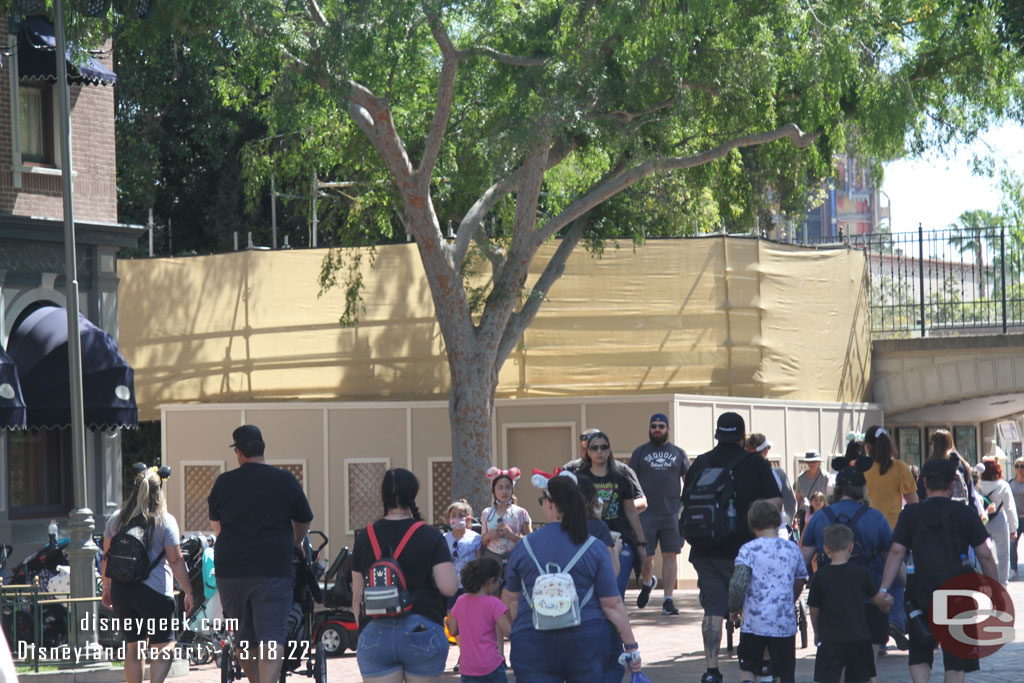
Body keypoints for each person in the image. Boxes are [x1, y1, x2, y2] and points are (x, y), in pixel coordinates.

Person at [502, 475, 642, 682]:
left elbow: (510, 599)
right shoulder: (594, 546)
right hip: (586, 640)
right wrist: (630, 646)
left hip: (533, 642)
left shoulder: (525, 546)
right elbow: (612, 603)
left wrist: (520, 630)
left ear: (550, 504)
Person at [208, 425, 313, 683]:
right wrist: (296, 542)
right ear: (262, 448)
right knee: (271, 636)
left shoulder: (224, 483)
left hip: (231, 572)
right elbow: (303, 519)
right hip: (273, 570)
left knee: (243, 636)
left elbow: (216, 526)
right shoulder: (284, 480)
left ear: (239, 452)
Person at [682, 412, 782, 683]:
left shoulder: (701, 462)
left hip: (706, 550)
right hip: (747, 549)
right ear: (742, 435)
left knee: (713, 609)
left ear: (717, 434)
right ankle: (761, 665)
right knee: (754, 605)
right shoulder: (755, 463)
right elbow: (775, 502)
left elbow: (686, 503)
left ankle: (712, 670)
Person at [879, 458, 999, 683]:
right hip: (957, 592)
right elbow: (985, 554)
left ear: (924, 483)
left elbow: (896, 552)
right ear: (952, 485)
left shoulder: (910, 514)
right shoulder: (965, 513)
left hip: (920, 591)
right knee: (955, 659)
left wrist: (884, 588)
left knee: (919, 652)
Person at [351, 468, 458, 682]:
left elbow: (357, 596)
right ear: (413, 495)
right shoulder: (430, 535)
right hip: (421, 627)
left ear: (383, 496)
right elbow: (449, 587)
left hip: (375, 631)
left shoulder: (365, 536)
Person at [103, 466, 194, 683]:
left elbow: (106, 557)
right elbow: (175, 560)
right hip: (155, 592)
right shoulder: (165, 520)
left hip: (122, 591)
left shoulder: (116, 519)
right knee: (165, 645)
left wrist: (107, 588)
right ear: (158, 492)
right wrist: (188, 591)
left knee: (134, 646)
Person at [800, 465, 893, 666]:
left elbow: (803, 561)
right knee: (867, 668)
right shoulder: (876, 518)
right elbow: (894, 557)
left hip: (831, 603)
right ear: (862, 490)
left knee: (836, 668)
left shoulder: (819, 518)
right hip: (869, 601)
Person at [726, 500, 808, 683]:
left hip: (754, 623)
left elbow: (738, 583)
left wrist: (733, 608)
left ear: (752, 523)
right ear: (778, 521)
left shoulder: (748, 550)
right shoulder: (792, 549)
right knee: (783, 672)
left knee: (748, 668)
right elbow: (800, 579)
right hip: (783, 624)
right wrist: (789, 599)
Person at [807, 524, 893, 683]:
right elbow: (876, 599)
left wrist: (817, 632)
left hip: (830, 637)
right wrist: (886, 600)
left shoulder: (820, 576)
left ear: (826, 549)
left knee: (830, 676)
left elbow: (814, 609)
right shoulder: (861, 573)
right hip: (858, 635)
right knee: (863, 677)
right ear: (851, 547)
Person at [571, 431, 648, 598]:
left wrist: (641, 543)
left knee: (615, 593)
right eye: (595, 448)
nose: (599, 451)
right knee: (593, 594)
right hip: (588, 541)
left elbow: (631, 512)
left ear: (609, 450)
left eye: (603, 447)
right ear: (588, 452)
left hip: (620, 540)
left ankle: (614, 624)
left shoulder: (621, 477)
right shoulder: (580, 478)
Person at [630, 412, 690, 615]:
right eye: (653, 426)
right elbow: (630, 482)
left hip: (671, 513)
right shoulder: (640, 453)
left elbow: (689, 482)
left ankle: (668, 600)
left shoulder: (678, 454)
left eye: (661, 426)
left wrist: (684, 507)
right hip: (645, 514)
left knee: (670, 556)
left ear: (668, 429)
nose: (657, 429)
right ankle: (647, 583)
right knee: (646, 557)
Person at [449, 558, 512, 683]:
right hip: (491, 664)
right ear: (491, 581)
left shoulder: (460, 601)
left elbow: (453, 630)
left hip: (467, 667)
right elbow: (507, 632)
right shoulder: (494, 603)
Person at [862, 426, 918, 530]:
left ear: (867, 446)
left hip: (866, 529)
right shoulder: (900, 467)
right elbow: (914, 504)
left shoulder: (861, 468)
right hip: (893, 531)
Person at [480, 468, 531, 576]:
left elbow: (530, 541)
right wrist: (489, 535)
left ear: (512, 490)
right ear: (493, 490)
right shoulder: (487, 513)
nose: (504, 491)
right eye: (500, 488)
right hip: (491, 559)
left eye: (508, 487)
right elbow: (482, 543)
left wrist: (512, 536)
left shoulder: (521, 512)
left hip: (514, 557)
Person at [976, 458, 1018, 584]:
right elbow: (1010, 508)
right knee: (1003, 555)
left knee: (982, 553)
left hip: (983, 520)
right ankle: (1003, 583)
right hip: (999, 520)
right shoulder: (1003, 485)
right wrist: (1013, 529)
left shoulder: (978, 485)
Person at [746, 434, 796, 531]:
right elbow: (790, 502)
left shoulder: (739, 473)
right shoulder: (777, 473)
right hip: (776, 529)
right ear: (766, 451)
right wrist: (787, 522)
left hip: (748, 528)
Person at [916, 428, 975, 509]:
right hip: (959, 511)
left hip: (933, 512)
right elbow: (971, 495)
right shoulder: (963, 464)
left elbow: (920, 493)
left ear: (934, 444)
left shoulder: (929, 465)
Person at [444, 499, 483, 602]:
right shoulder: (444, 539)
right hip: (451, 583)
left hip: (469, 584)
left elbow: (478, 560)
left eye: (461, 516)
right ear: (449, 519)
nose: (457, 518)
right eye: (453, 515)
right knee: (451, 612)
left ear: (468, 519)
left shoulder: (475, 538)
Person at [794, 452, 828, 531]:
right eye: (809, 462)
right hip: (805, 515)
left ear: (819, 462)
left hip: (822, 515)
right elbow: (798, 497)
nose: (811, 464)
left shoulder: (826, 477)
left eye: (814, 461)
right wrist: (796, 515)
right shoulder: (801, 478)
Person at [1011, 456, 1024, 579]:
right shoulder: (1010, 483)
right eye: (1017, 466)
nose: (1019, 469)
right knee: (1012, 543)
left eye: (1022, 466)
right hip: (1016, 519)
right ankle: (1013, 569)